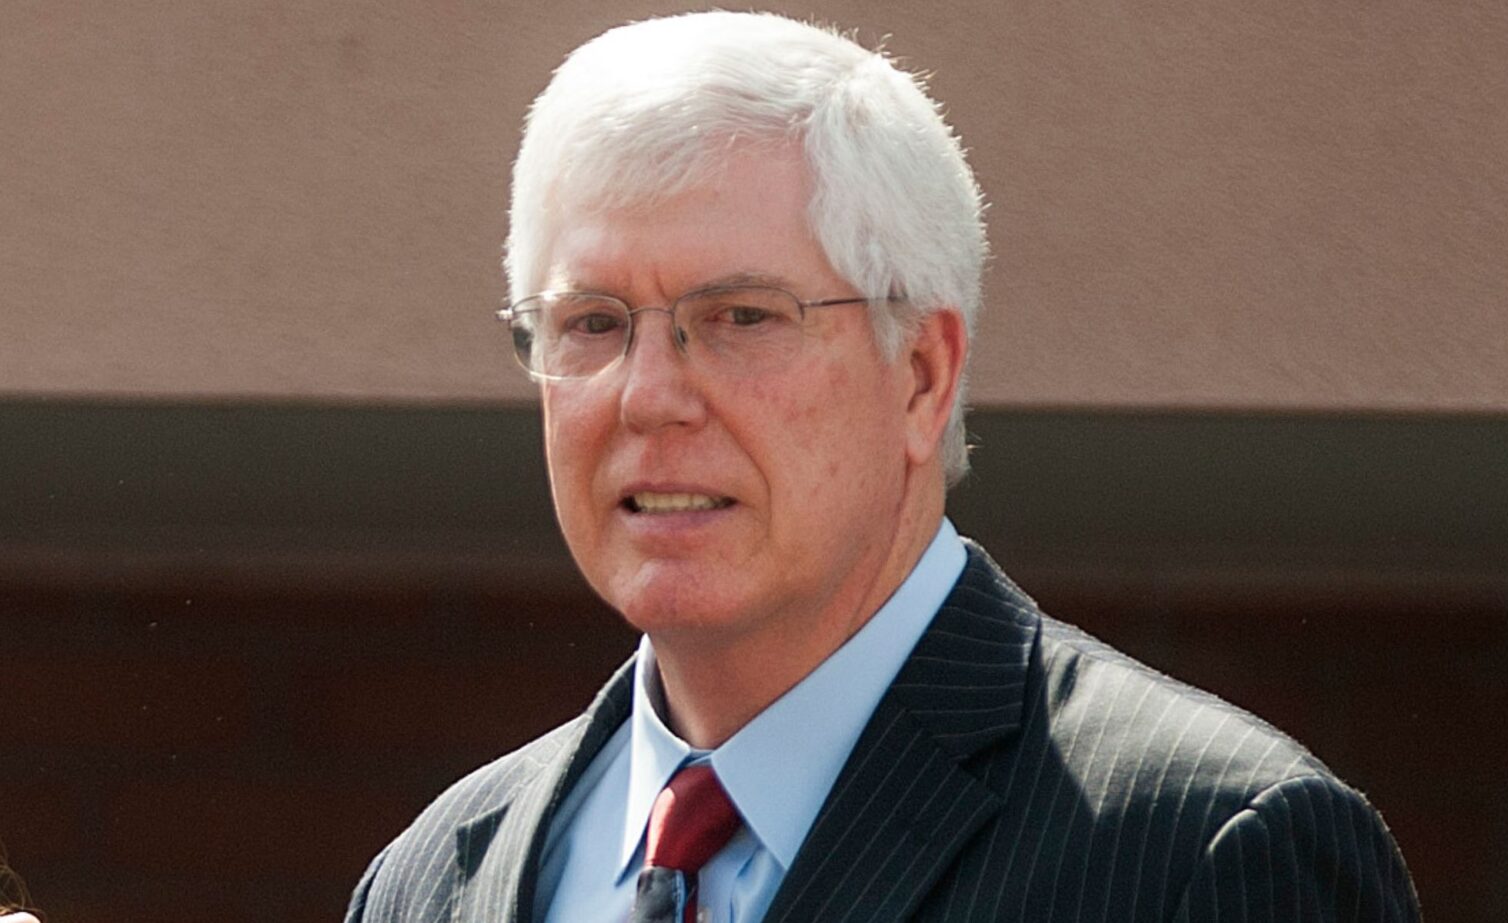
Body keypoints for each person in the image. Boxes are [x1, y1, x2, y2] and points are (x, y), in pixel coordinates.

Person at [347, 11, 1419, 922]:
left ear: (920, 373)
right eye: (591, 321)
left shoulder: (1204, 849)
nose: (648, 395)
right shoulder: (433, 878)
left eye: (739, 316)